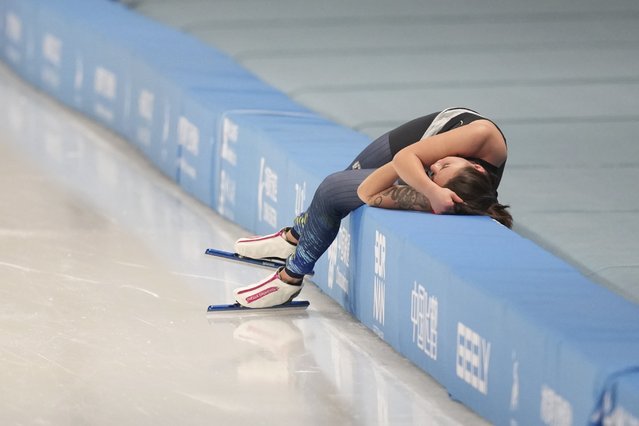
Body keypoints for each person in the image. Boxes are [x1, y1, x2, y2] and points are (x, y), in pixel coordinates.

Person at [232, 107, 511, 308]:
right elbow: (407, 155)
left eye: (436, 172)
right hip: (407, 142)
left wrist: (425, 186)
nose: (433, 164)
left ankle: (289, 277)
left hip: (419, 168)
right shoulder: (484, 136)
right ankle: (294, 237)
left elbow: (366, 191)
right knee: (345, 178)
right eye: (444, 163)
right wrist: (429, 185)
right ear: (475, 166)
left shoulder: (457, 191)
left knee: (333, 189)